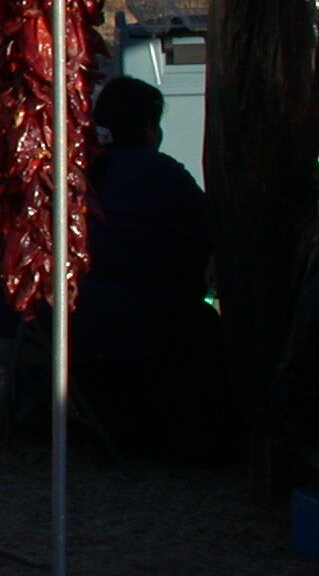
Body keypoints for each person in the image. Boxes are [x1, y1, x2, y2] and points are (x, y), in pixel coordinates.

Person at [72, 75, 221, 459]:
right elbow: (208, 229)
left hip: (76, 314)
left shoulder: (82, 171)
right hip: (148, 314)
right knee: (210, 330)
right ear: (148, 126)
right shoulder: (161, 172)